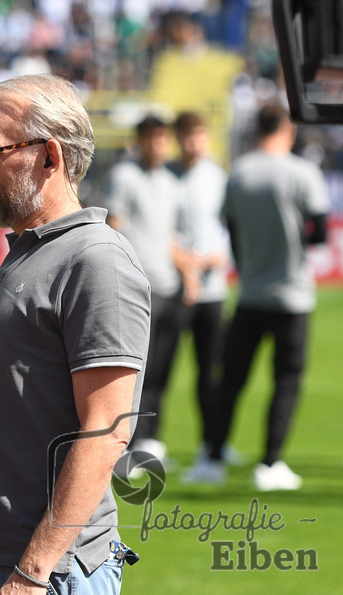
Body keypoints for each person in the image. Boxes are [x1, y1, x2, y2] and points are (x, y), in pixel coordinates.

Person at [0, 74, 150, 595]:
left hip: (49, 572)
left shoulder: (96, 260)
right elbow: (8, 417)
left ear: (49, 156)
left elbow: (107, 431)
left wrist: (32, 572)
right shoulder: (28, 253)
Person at [194, 103, 329, 490]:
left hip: (250, 291)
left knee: (231, 378)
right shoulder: (303, 172)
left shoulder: (240, 173)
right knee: (286, 380)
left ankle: (213, 455)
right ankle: (270, 463)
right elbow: (319, 233)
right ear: (287, 129)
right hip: (293, 295)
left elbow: (231, 227)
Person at [105, 114, 187, 464]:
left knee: (161, 372)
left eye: (163, 139)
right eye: (153, 139)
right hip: (138, 290)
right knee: (134, 373)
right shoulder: (124, 176)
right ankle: (123, 449)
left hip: (170, 286)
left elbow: (169, 235)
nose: (159, 146)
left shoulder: (170, 181)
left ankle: (149, 444)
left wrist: (188, 271)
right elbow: (113, 227)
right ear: (139, 141)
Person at [166, 112, 233, 483]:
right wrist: (184, 262)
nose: (196, 142)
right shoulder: (167, 177)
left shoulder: (218, 178)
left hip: (212, 289)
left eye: (201, 135)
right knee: (159, 369)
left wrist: (214, 257)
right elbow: (163, 228)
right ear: (179, 138)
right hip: (174, 287)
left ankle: (212, 444)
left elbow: (228, 227)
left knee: (210, 373)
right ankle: (148, 446)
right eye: (189, 135)